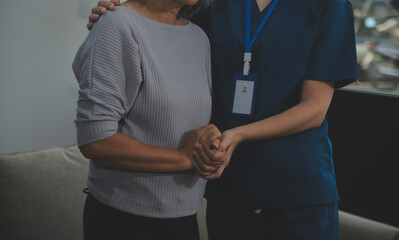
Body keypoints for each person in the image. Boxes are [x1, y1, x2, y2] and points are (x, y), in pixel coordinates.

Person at [88, 0, 358, 239]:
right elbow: (160, 29)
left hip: (296, 188)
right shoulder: (210, 6)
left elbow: (314, 109)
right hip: (227, 185)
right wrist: (113, 16)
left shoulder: (329, 5)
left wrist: (238, 135)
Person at [73, 0, 224, 239]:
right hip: (123, 220)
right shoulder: (117, 24)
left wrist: (211, 147)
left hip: (185, 218)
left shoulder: (198, 37)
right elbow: (95, 140)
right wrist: (185, 158)